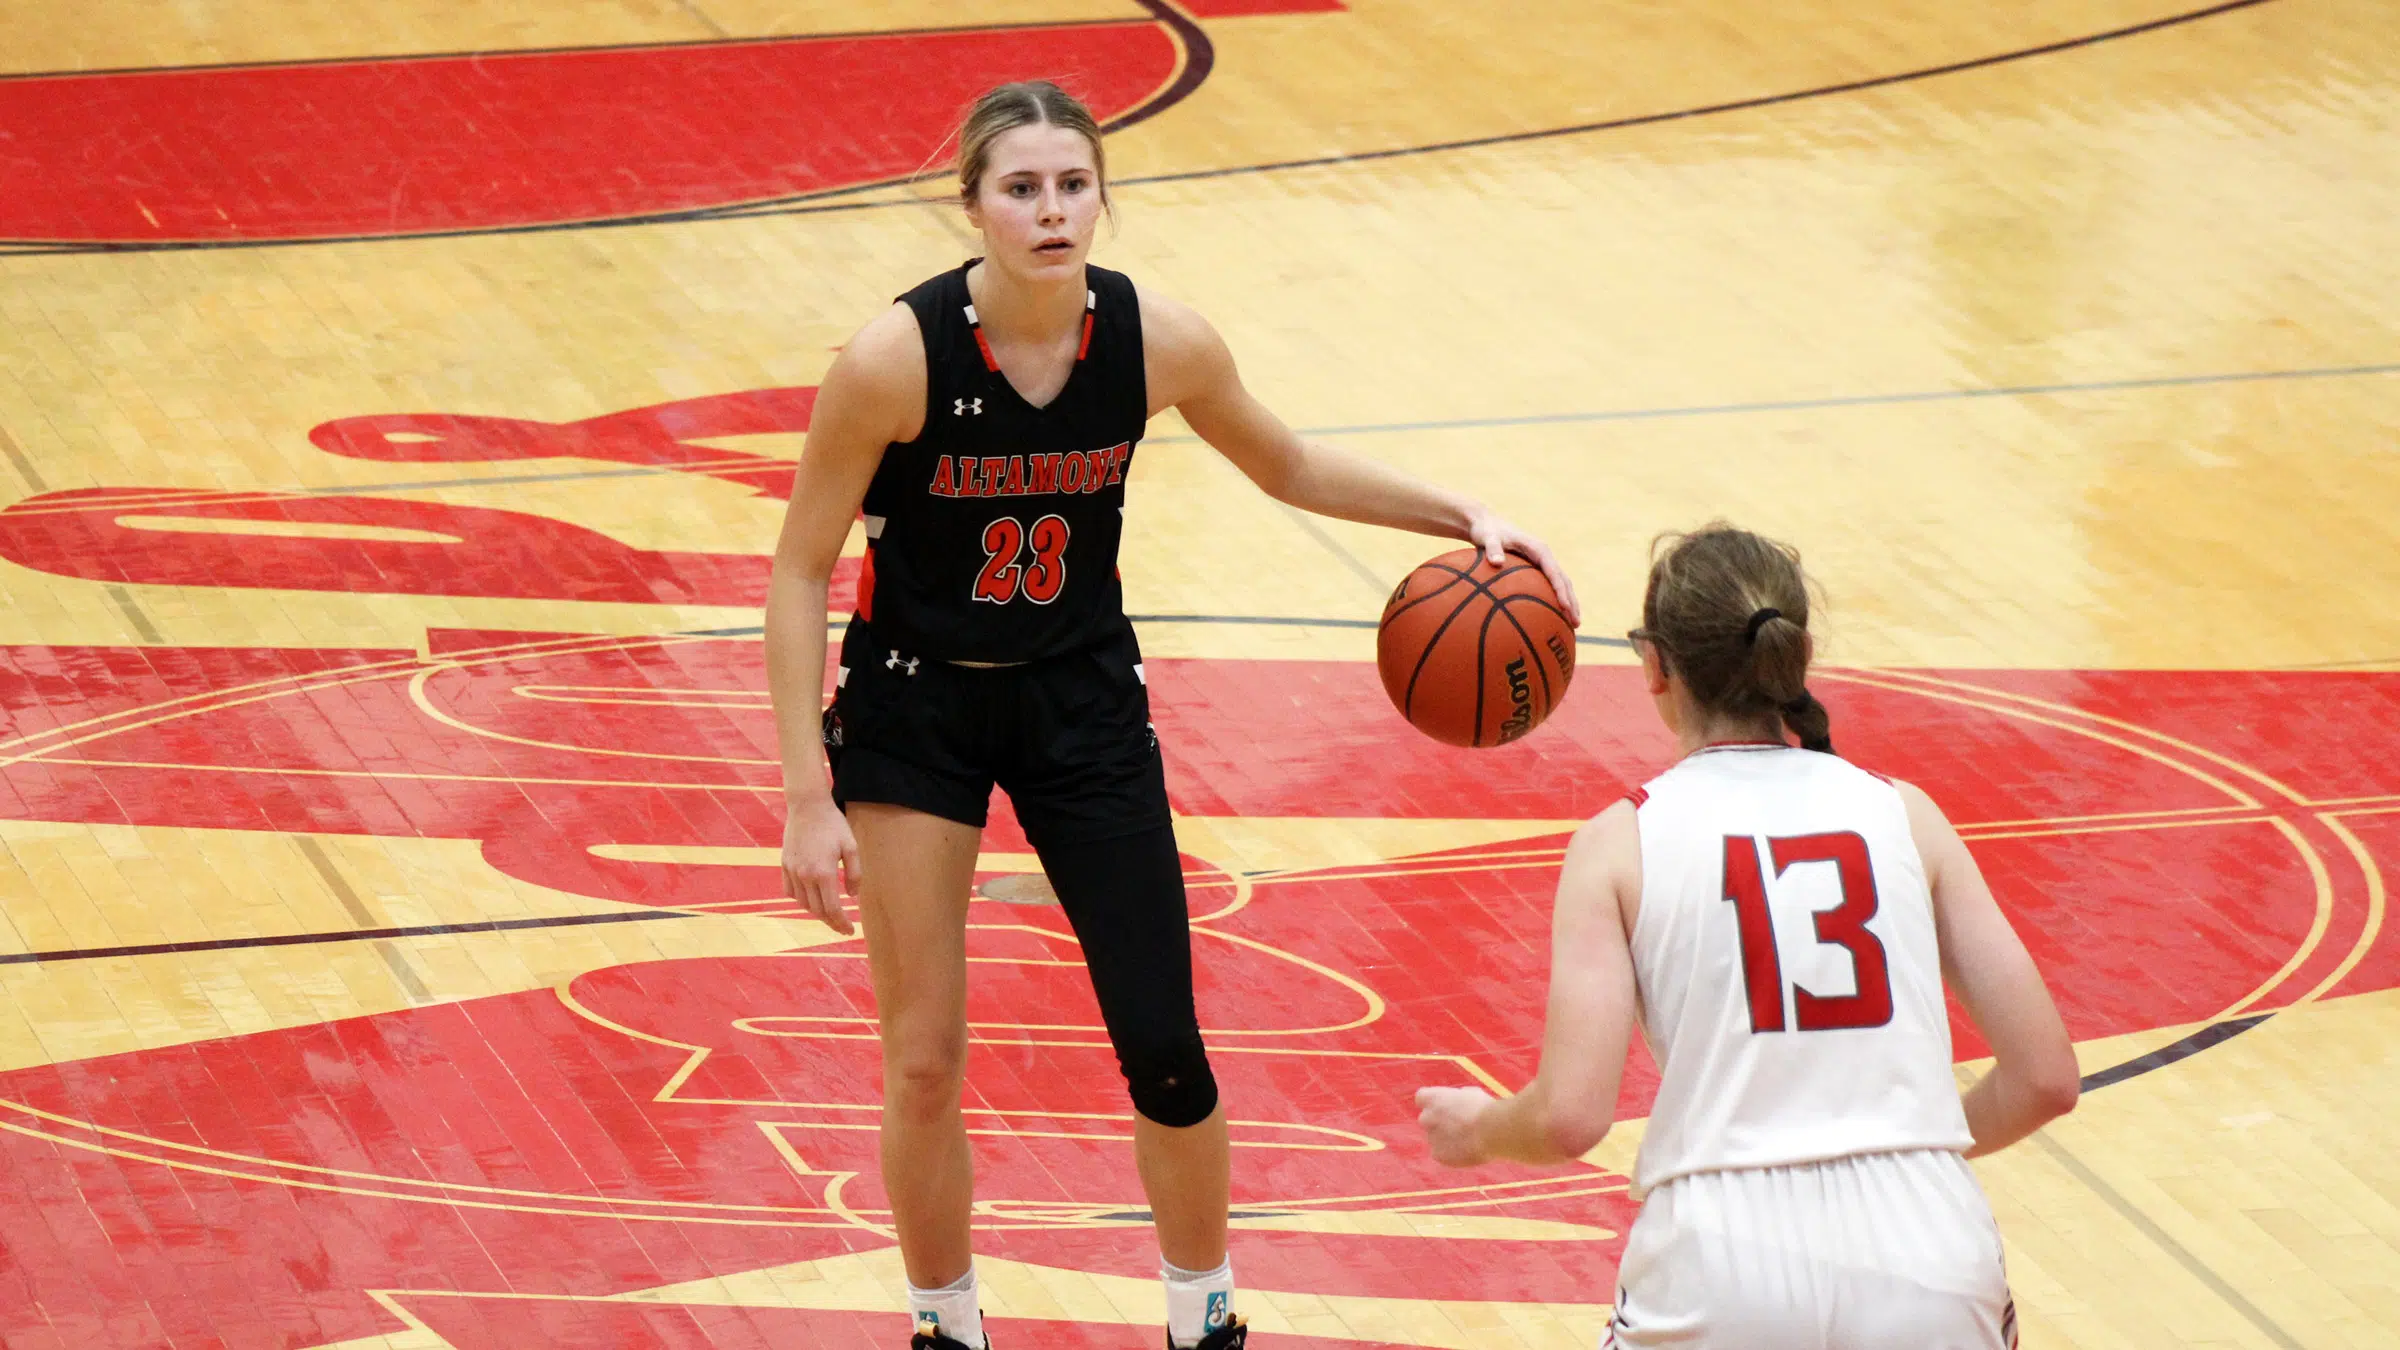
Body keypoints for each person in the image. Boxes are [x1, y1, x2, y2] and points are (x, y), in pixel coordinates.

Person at [765, 79, 1579, 1350]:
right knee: (923, 1056)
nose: (1051, 211)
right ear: (971, 205)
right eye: (1021, 188)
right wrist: (807, 798)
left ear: (1103, 196)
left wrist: (1465, 518)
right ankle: (945, 1327)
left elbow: (1290, 463)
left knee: (1164, 1044)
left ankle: (1206, 1322)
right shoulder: (894, 360)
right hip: (915, 709)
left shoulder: (1158, 341)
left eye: (1073, 185)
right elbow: (802, 563)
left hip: (1079, 696)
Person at [1414, 523, 2078, 1349]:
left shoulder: (1620, 844)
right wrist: (1898, 1159)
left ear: (1655, 665)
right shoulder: (1906, 813)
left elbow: (1571, 1116)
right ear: (1794, 660)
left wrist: (1478, 1130)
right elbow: (2046, 1077)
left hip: (1722, 1258)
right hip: (1931, 1252)